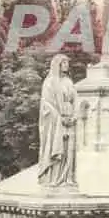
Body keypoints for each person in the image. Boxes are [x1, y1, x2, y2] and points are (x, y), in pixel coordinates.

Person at [37, 54, 78, 188]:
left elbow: (75, 100)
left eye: (67, 63)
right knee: (56, 148)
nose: (67, 65)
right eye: (64, 63)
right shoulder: (49, 82)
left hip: (69, 119)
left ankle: (67, 178)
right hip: (56, 121)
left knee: (68, 150)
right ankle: (53, 178)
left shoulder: (68, 82)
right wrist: (59, 118)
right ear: (58, 65)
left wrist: (74, 116)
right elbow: (46, 104)